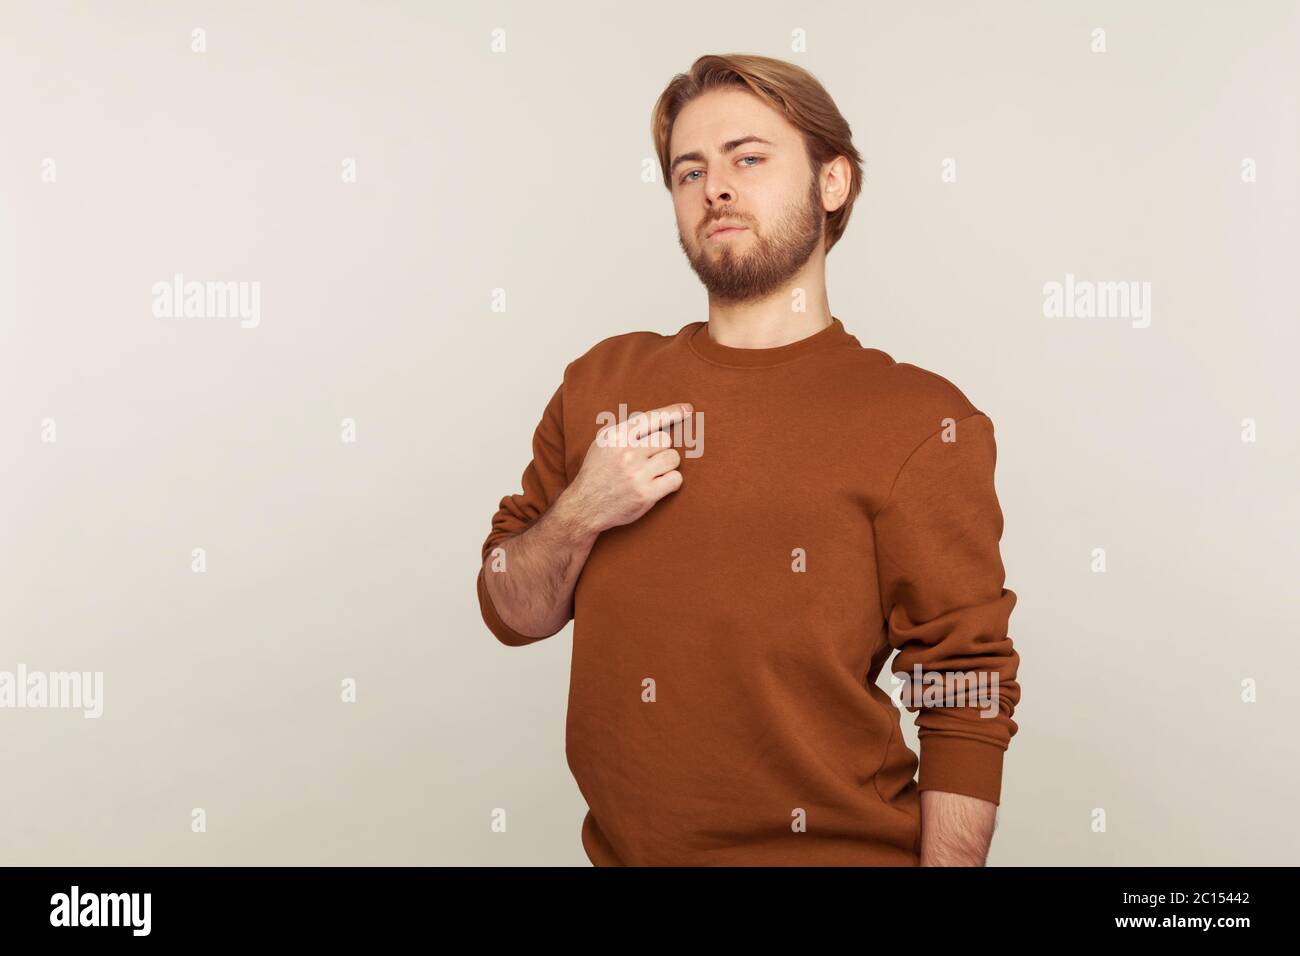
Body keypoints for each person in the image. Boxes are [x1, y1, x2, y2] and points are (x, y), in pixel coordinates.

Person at [476, 53, 1021, 866]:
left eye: (749, 158)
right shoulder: (602, 383)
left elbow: (964, 689)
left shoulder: (921, 420)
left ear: (832, 184)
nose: (715, 188)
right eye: (688, 170)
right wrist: (580, 511)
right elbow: (512, 611)